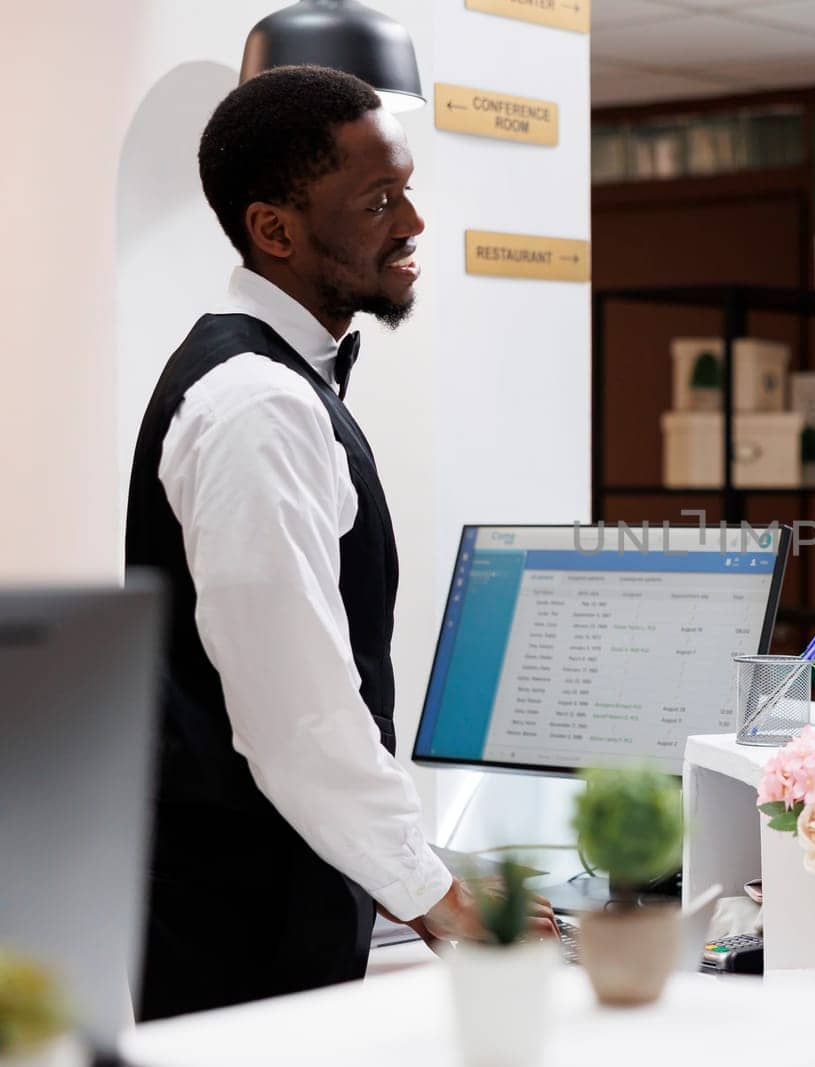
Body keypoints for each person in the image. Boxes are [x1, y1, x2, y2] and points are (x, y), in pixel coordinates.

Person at [126, 66, 553, 1021]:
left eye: (406, 188)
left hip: (269, 905)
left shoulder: (272, 384)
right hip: (247, 933)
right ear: (274, 230)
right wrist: (443, 900)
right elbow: (300, 717)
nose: (414, 222)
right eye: (379, 200)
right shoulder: (257, 405)